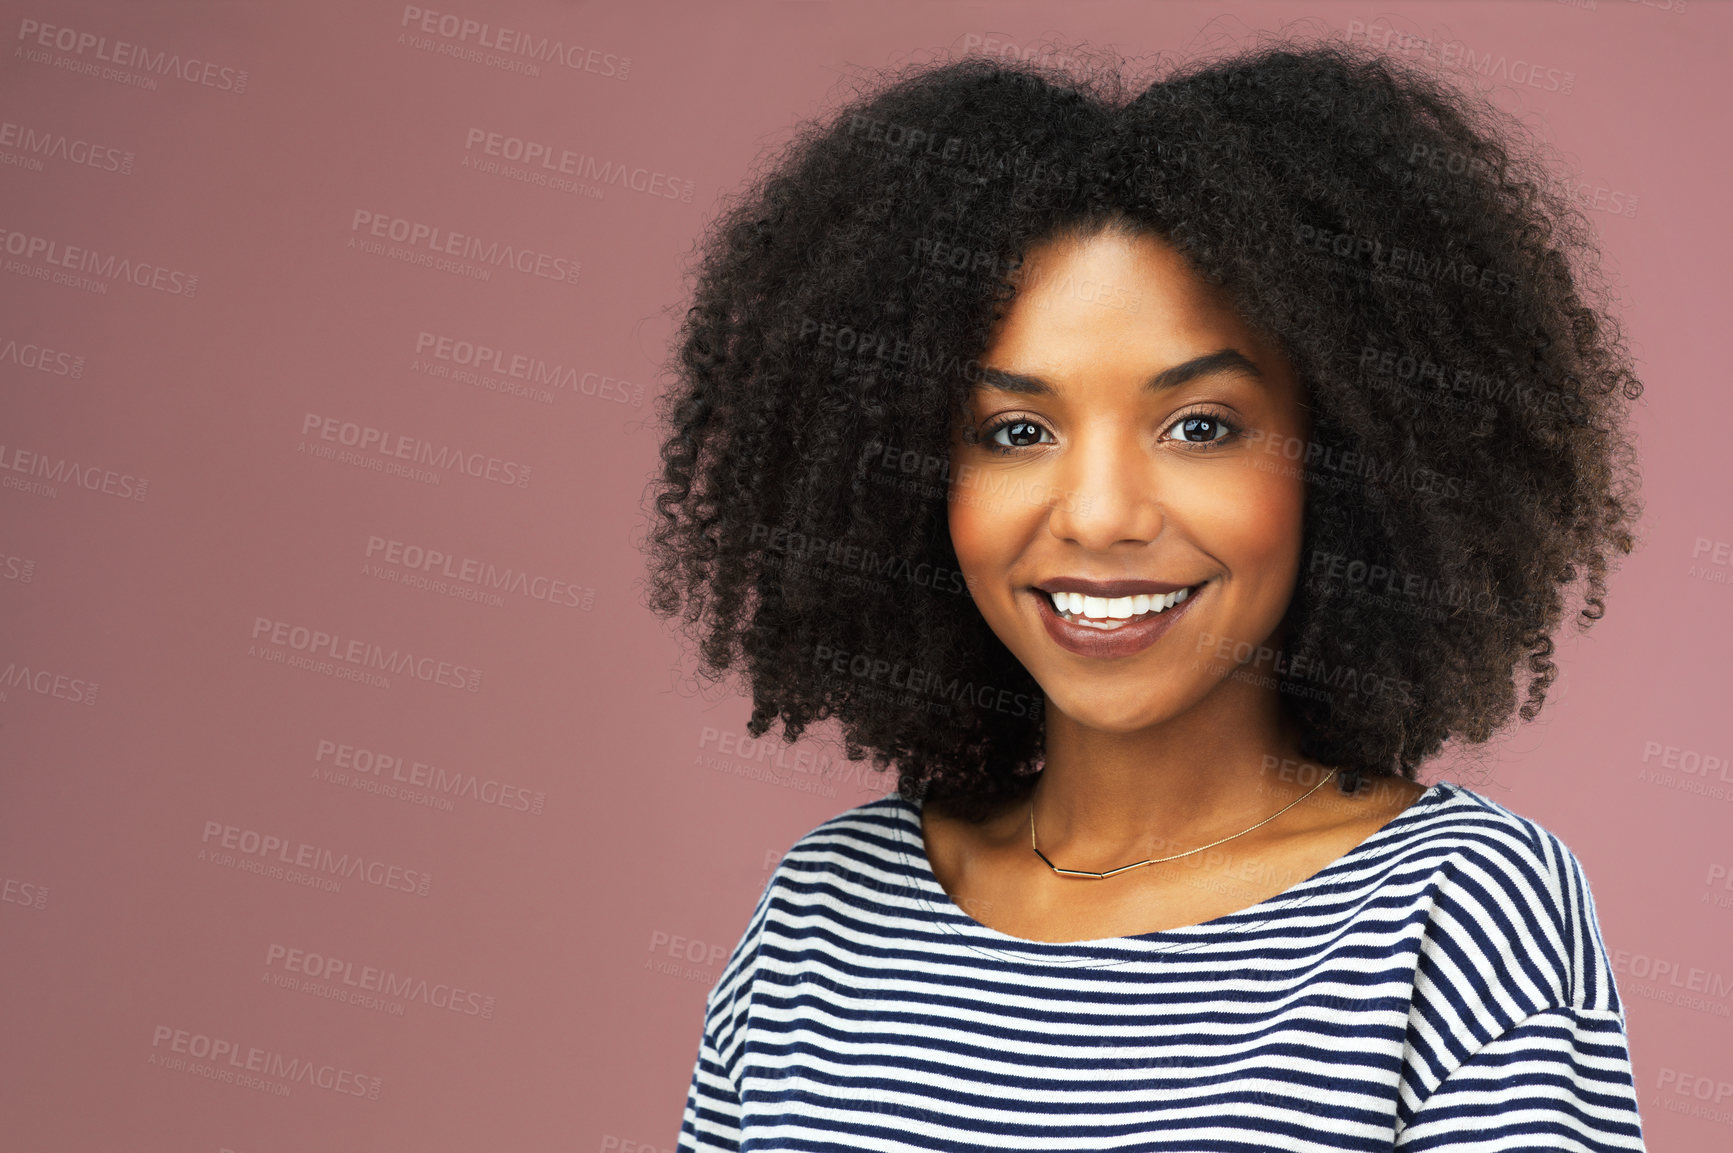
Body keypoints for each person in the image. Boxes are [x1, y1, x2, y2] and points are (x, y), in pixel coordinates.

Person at [643, 35, 1646, 1152]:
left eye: (1199, 426)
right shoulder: (820, 916)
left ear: (1351, 460)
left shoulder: (1452, 913)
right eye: (1015, 432)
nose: (1100, 513)